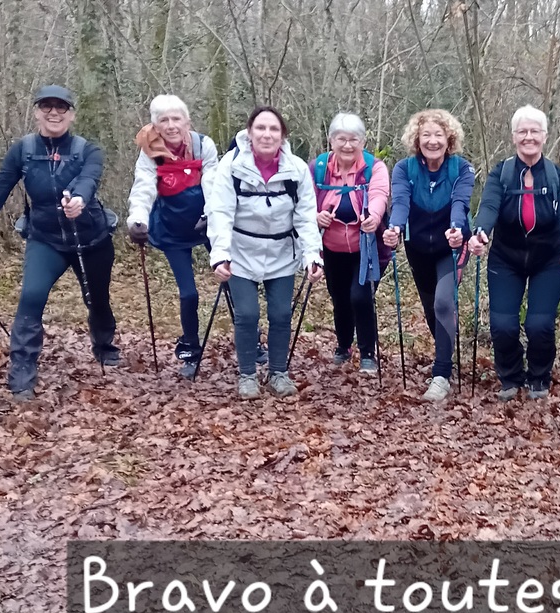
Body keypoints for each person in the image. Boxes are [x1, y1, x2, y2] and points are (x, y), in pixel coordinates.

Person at [0, 85, 120, 400]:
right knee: (31, 297)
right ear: (37, 112)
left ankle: (104, 344)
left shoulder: (87, 150)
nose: (53, 112)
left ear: (72, 114)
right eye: (46, 106)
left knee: (97, 299)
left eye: (61, 107)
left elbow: (89, 179)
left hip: (91, 239)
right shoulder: (23, 150)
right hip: (46, 240)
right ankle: (22, 374)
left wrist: (79, 199)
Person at [206, 106, 323, 399]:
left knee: (281, 314)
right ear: (249, 133)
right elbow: (220, 212)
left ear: (283, 135)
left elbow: (306, 216)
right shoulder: (231, 166)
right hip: (241, 253)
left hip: (282, 252)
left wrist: (312, 255)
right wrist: (220, 255)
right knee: (247, 313)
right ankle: (247, 376)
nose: (266, 135)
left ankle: (278, 373)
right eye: (260, 128)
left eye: (273, 129)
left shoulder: (296, 169)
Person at [467, 106, 560, 400]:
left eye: (534, 131)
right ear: (514, 136)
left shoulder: (558, 177)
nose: (529, 137)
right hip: (506, 258)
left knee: (539, 325)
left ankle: (539, 377)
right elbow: (489, 206)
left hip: (549, 260)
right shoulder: (501, 174)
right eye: (522, 132)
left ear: (545, 136)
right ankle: (510, 377)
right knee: (503, 326)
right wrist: (480, 232)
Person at [126, 94, 221, 379]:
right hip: (171, 228)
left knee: (234, 281)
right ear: (155, 125)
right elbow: (144, 186)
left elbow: (213, 182)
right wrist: (138, 220)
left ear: (187, 121)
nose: (170, 125)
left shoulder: (203, 145)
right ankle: (190, 349)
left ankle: (252, 342)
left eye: (176, 119)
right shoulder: (150, 152)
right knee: (189, 293)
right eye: (163, 120)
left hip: (206, 224)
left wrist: (211, 214)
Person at [386, 108, 476, 401]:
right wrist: (394, 227)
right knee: (431, 309)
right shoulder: (404, 169)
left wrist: (457, 229)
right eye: (426, 135)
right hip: (418, 249)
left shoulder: (462, 169)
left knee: (443, 303)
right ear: (417, 139)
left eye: (439, 134)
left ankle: (441, 376)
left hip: (451, 247)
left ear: (449, 139)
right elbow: (400, 202)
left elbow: (460, 203)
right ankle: (445, 355)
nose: (432, 141)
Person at [313, 112, 389, 375]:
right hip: (332, 249)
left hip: (365, 248)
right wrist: (316, 216)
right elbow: (304, 200)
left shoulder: (374, 167)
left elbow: (379, 195)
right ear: (331, 140)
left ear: (363, 141)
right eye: (341, 139)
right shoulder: (318, 168)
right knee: (340, 298)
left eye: (353, 139)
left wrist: (373, 217)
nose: (347, 145)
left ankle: (368, 354)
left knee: (360, 296)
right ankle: (344, 346)